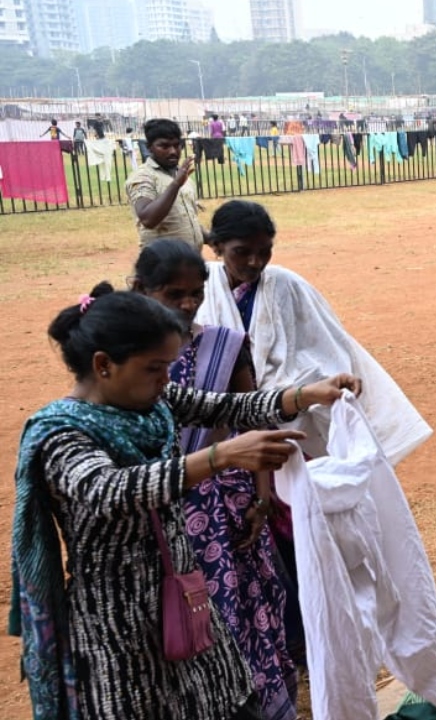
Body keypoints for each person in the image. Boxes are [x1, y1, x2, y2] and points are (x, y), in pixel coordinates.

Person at [13, 284, 358, 720]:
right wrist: (220, 456)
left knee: (229, 701)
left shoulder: (153, 403)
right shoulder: (61, 435)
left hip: (185, 599)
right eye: (155, 368)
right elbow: (111, 490)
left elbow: (224, 407)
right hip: (118, 626)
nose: (166, 380)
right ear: (104, 365)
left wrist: (305, 395)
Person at [130, 240, 298, 720]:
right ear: (141, 290)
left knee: (243, 609)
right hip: (165, 510)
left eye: (196, 293)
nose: (187, 304)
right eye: (173, 294)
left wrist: (261, 499)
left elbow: (244, 414)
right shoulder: (125, 361)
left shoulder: (223, 345)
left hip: (228, 508)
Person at [195, 200, 432, 465]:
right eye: (242, 252)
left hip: (286, 409)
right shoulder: (198, 288)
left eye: (264, 252)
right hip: (219, 415)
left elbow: (327, 348)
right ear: (217, 246)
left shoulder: (287, 285)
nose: (254, 262)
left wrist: (295, 388)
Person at [126, 118, 205, 251]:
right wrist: (175, 184)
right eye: (164, 146)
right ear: (149, 147)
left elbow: (183, 221)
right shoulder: (143, 177)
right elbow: (148, 219)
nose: (173, 151)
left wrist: (212, 237)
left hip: (190, 264)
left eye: (177, 145)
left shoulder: (181, 175)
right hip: (162, 265)